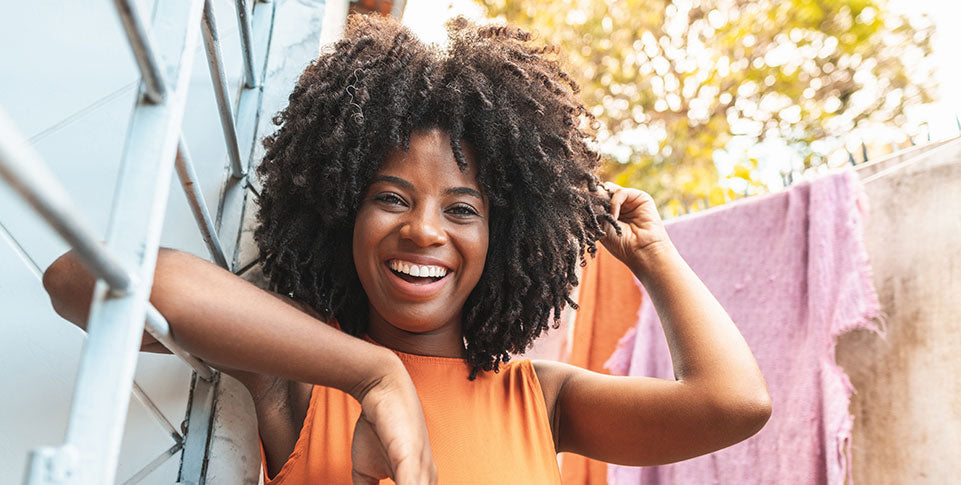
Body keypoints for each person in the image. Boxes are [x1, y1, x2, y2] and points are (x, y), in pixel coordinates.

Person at [42, 13, 770, 485]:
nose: (424, 229)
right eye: (391, 197)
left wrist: (654, 255)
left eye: (462, 209)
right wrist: (373, 372)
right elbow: (80, 279)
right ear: (339, 212)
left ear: (504, 235)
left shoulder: (540, 399)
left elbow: (732, 403)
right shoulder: (299, 373)